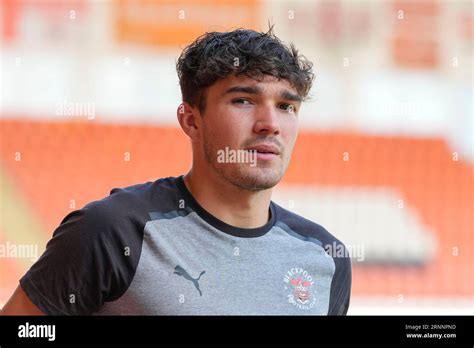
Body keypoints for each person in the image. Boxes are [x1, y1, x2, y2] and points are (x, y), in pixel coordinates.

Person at [1, 26, 351, 315]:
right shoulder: (111, 232)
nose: (270, 124)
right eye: (243, 100)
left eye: (286, 106)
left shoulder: (325, 258)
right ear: (190, 120)